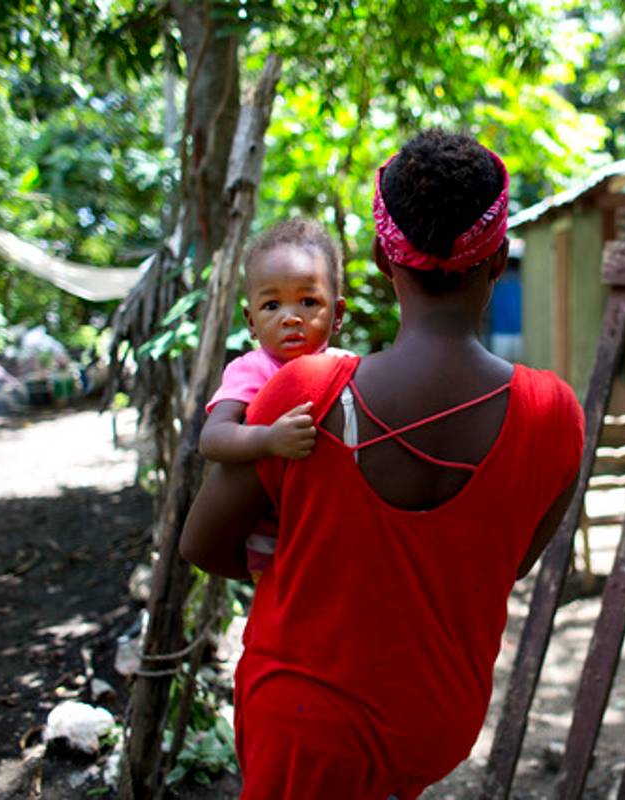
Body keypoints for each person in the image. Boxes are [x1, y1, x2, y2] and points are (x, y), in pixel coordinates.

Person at [180, 130, 584, 799]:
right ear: (498, 262)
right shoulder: (553, 414)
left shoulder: (307, 394)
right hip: (437, 722)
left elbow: (203, 543)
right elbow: (509, 562)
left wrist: (315, 561)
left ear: (377, 261)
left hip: (306, 724)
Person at [199, 219, 348, 579]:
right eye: (271, 306)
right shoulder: (253, 370)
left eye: (308, 301)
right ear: (251, 321)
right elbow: (212, 438)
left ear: (338, 314)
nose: (290, 317)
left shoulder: (346, 367)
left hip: (333, 529)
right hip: (272, 540)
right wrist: (269, 439)